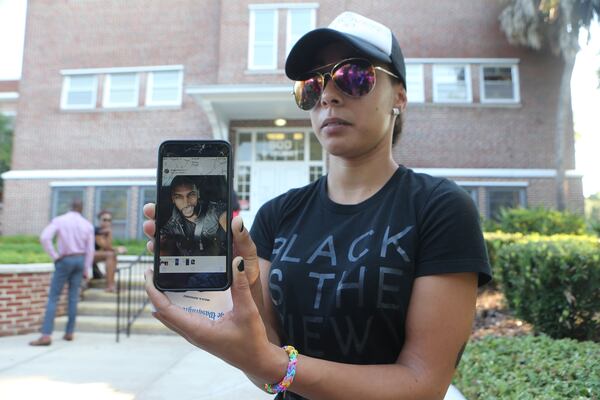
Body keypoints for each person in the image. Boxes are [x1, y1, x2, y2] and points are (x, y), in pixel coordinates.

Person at [143, 12, 491, 399]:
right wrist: (243, 291)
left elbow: (422, 386)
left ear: (399, 96)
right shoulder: (278, 214)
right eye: (312, 85)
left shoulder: (439, 208)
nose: (328, 95)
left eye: (355, 76)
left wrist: (272, 364)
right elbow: (265, 365)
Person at [30, 199, 95, 346]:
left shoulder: (60, 220)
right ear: (82, 209)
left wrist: (55, 256)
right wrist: (87, 269)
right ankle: (69, 332)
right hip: (80, 260)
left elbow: (45, 237)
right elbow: (90, 250)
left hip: (64, 260)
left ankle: (46, 335)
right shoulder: (87, 225)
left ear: (70, 207)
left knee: (54, 297)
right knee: (73, 298)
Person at [159, 175, 227, 256]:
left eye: (191, 194)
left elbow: (224, 218)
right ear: (173, 199)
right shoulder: (170, 227)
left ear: (198, 194)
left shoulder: (215, 211)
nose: (186, 202)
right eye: (179, 197)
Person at [94, 210, 126, 292]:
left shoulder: (105, 232)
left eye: (109, 220)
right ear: (99, 221)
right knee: (110, 254)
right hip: (84, 255)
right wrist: (117, 249)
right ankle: (110, 285)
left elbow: (108, 247)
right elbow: (106, 247)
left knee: (112, 254)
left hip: (92, 255)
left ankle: (110, 281)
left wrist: (109, 233)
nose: (107, 222)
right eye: (104, 220)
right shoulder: (97, 230)